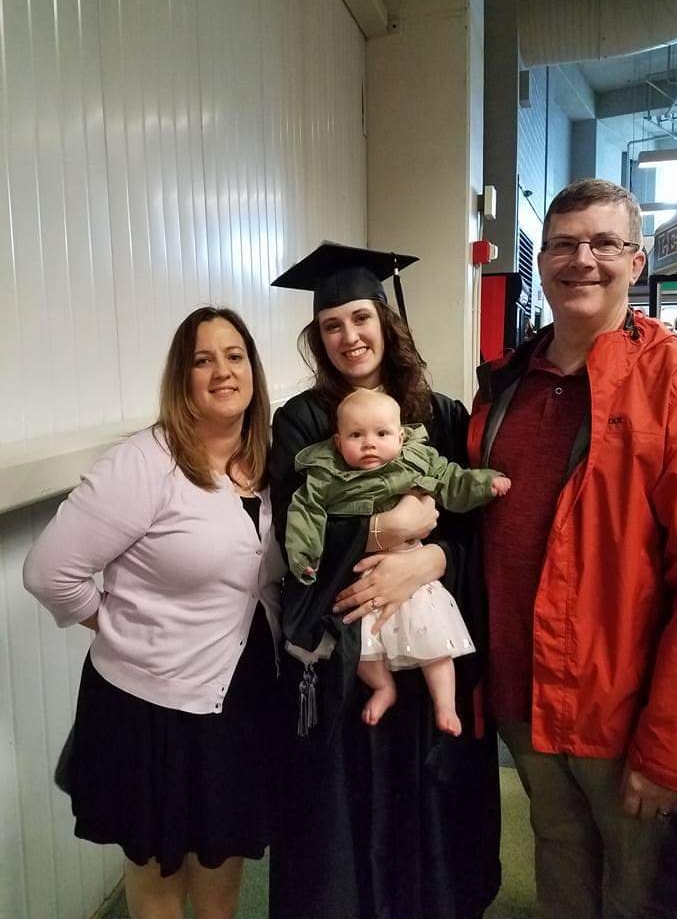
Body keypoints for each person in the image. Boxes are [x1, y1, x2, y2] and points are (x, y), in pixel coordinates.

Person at [468, 178, 677, 919]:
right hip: (523, 692)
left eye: (605, 243)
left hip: (622, 708)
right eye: (564, 244)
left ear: (636, 262)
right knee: (559, 857)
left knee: (639, 888)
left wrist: (669, 746)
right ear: (542, 261)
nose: (582, 260)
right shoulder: (506, 385)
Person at [23, 307, 284, 919]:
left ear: (253, 369)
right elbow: (49, 572)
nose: (223, 371)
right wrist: (115, 624)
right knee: (159, 877)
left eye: (235, 356)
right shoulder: (145, 462)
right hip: (151, 707)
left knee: (221, 873)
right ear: (181, 378)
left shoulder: (270, 462)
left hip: (240, 696)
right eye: (203, 360)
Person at [268, 243, 502, 919]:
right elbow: (292, 530)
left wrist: (432, 560)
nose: (349, 336)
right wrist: (384, 530)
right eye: (331, 325)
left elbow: (474, 528)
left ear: (385, 321)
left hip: (428, 649)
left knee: (428, 812)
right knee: (346, 826)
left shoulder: (443, 414)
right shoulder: (302, 422)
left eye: (361, 317)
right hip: (349, 654)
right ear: (319, 338)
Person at [285, 388, 510, 734]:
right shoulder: (325, 474)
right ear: (337, 441)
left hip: (413, 566)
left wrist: (485, 484)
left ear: (401, 436)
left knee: (434, 639)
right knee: (357, 641)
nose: (369, 444)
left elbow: (453, 480)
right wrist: (304, 556)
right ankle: (383, 687)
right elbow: (305, 514)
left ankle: (446, 705)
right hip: (359, 576)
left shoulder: (417, 459)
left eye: (381, 434)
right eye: (356, 435)